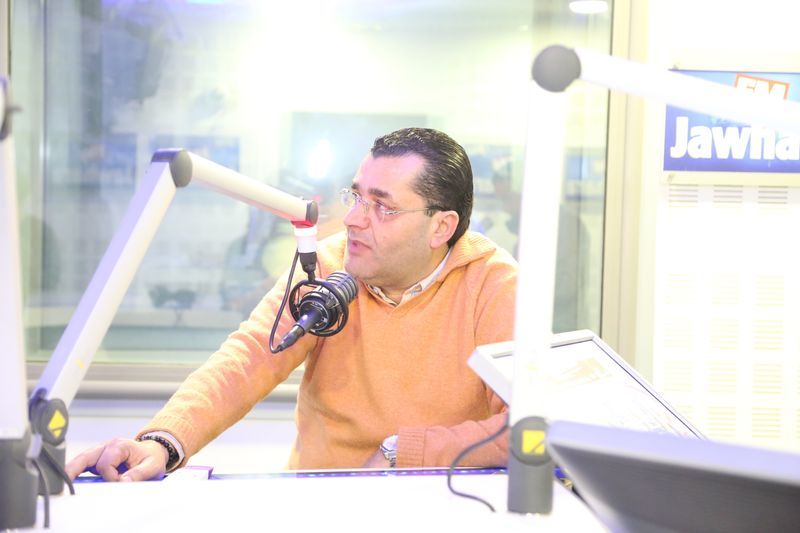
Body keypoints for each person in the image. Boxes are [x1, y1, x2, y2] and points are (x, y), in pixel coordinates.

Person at [65, 127, 518, 482]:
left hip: (439, 499)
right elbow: (248, 359)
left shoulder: (493, 285)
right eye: (356, 197)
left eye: (383, 207)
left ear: (441, 228)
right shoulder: (329, 262)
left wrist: (404, 451)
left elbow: (526, 426)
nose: (354, 219)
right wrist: (164, 441)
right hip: (320, 498)